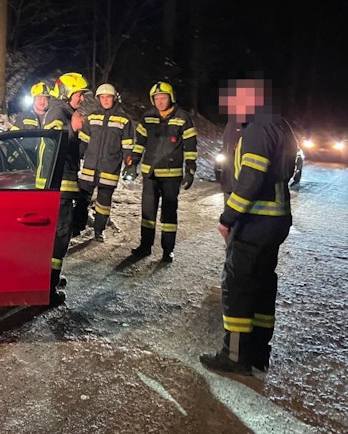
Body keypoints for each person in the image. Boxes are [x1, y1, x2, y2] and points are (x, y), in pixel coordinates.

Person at [199, 77, 296, 375]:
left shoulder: (256, 131)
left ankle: (235, 355)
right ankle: (257, 353)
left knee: (239, 286)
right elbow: (286, 171)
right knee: (263, 285)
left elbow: (250, 180)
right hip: (277, 221)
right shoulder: (281, 125)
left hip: (254, 223)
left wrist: (228, 217)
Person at [124, 81, 197, 262]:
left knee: (169, 213)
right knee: (147, 212)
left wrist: (190, 169)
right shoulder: (148, 117)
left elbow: (190, 146)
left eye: (163, 98)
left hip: (171, 175)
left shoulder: (183, 117)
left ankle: (167, 249)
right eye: (156, 98)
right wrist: (133, 162)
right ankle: (145, 246)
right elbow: (140, 142)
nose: (160, 102)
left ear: (170, 98)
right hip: (150, 173)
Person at [37, 71, 89, 306]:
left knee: (57, 235)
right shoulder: (59, 112)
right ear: (68, 92)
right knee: (59, 235)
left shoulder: (66, 112)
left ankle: (50, 279)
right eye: (79, 93)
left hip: (62, 184)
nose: (82, 98)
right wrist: (73, 130)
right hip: (59, 186)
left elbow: (74, 152)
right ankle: (48, 289)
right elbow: (53, 143)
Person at [77, 83, 136, 242]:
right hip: (89, 168)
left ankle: (99, 230)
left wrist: (130, 164)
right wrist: (76, 156)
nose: (105, 100)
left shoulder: (124, 120)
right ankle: (77, 227)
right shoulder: (92, 117)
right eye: (102, 97)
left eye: (108, 97)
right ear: (98, 99)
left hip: (109, 169)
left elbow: (128, 146)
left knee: (103, 203)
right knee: (82, 199)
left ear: (114, 98)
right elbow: (83, 141)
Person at [10, 81, 51, 162]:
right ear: (33, 99)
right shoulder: (24, 117)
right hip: (25, 160)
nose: (42, 102)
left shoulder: (52, 117)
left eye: (45, 98)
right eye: (39, 98)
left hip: (46, 161)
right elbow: (12, 138)